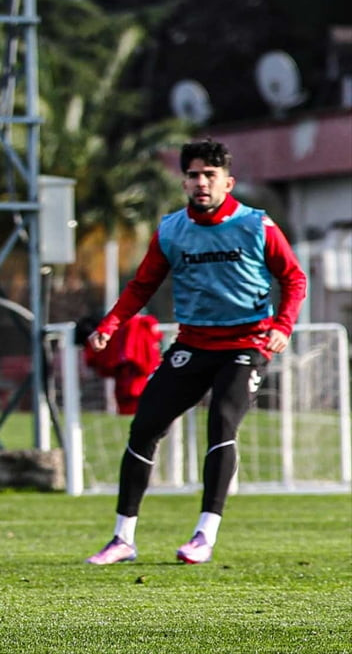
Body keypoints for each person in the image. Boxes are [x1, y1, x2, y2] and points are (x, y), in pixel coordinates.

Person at [84, 139, 306, 565]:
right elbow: (142, 286)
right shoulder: (171, 230)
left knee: (221, 424)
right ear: (184, 181)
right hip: (192, 344)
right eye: (194, 175)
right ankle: (122, 538)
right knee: (144, 427)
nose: (201, 183)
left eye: (210, 175)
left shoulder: (257, 225)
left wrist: (282, 326)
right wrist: (110, 325)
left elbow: (294, 278)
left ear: (228, 181)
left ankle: (204, 534)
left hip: (246, 344)